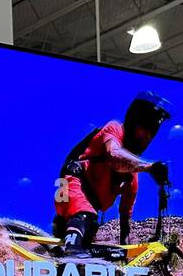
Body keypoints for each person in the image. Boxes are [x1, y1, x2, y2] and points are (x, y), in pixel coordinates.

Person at [53, 91, 173, 251]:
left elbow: (125, 221)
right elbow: (114, 156)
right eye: (145, 127)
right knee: (85, 219)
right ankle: (69, 256)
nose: (147, 136)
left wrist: (126, 255)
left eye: (152, 132)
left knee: (86, 236)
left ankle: (63, 261)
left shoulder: (132, 178)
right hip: (72, 184)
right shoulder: (114, 129)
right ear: (133, 121)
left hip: (85, 208)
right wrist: (150, 167)